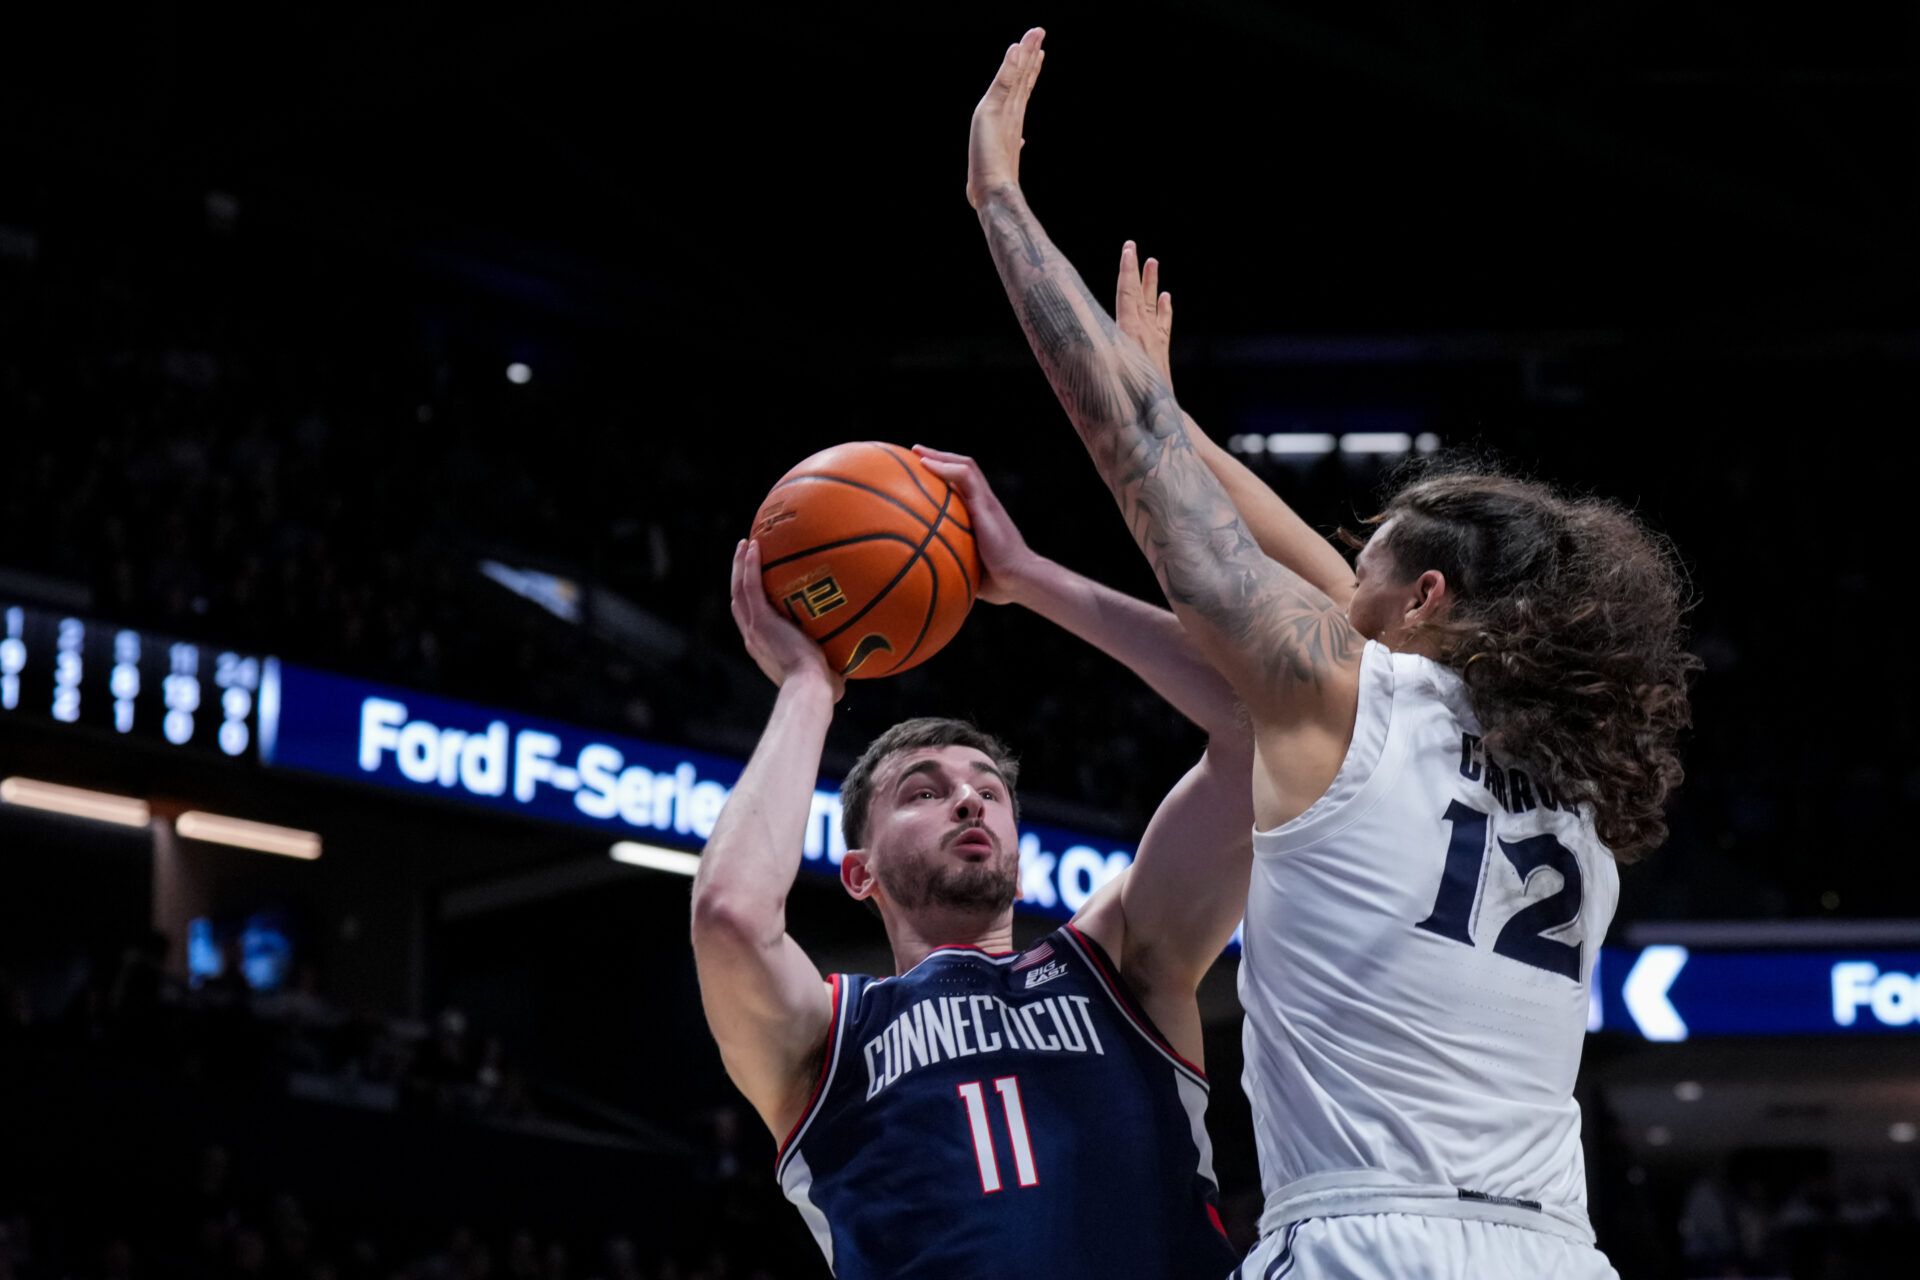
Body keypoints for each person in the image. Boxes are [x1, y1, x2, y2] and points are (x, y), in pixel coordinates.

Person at [966, 28, 1697, 1279]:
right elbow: (1291, 553)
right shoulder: (1570, 785)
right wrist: (1171, 418)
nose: (1331, 573)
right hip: (1559, 1252)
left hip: (1370, 1238)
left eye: (1366, 564)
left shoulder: (1354, 699)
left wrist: (998, 200)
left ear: (1422, 597)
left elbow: (1181, 525)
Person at [692, 455, 1248, 1279]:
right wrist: (810, 686)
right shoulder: (827, 1037)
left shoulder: (1119, 963)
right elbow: (731, 913)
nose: (968, 802)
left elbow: (1251, 728)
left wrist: (1027, 576)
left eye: (989, 792)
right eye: (924, 792)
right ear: (859, 872)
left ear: (1020, 862)